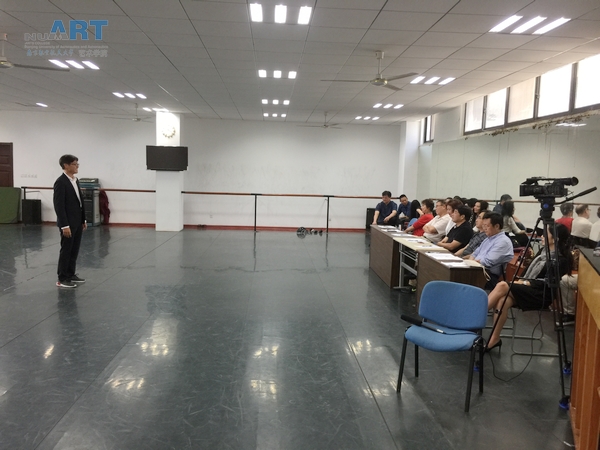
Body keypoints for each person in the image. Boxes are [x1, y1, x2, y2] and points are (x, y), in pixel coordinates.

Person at [486, 223, 572, 351]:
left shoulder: (561, 260)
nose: (542, 236)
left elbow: (548, 283)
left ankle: (475, 317)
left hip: (542, 294)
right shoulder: (543, 252)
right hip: (529, 289)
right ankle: (494, 339)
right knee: (503, 301)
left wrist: (524, 283)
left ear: (555, 238)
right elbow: (526, 272)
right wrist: (521, 281)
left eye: (545, 234)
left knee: (502, 285)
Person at [53, 154, 87, 288]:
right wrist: (64, 225)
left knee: (74, 249)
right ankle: (62, 278)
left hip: (77, 221)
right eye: (74, 164)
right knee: (66, 250)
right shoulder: (61, 182)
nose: (77, 166)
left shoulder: (75, 180)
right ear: (66, 165)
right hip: (68, 223)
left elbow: (80, 202)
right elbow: (59, 206)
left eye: (77, 164)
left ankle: (70, 274)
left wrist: (83, 219)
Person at [468, 212, 514, 290]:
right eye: (483, 225)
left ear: (497, 226)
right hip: (478, 271)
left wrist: (472, 262)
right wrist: (470, 262)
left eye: (486, 226)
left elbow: (487, 262)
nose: (484, 228)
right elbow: (474, 254)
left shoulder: (503, 242)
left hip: (489, 276)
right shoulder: (488, 239)